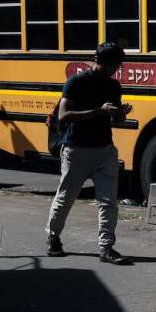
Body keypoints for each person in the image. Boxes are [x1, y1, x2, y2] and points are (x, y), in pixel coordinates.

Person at [46, 42, 133, 265]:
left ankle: (106, 247)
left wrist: (121, 113)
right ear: (100, 61)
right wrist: (98, 111)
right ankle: (53, 237)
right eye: (114, 65)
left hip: (104, 149)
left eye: (118, 65)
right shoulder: (77, 82)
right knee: (66, 197)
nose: (116, 69)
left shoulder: (114, 86)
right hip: (76, 149)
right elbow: (64, 115)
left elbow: (116, 119)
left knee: (108, 201)